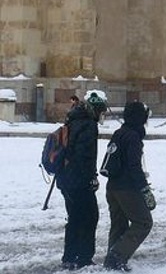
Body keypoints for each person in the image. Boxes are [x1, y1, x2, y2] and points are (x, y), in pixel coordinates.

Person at [103, 101, 155, 272]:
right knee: (144, 222)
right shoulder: (133, 137)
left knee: (118, 223)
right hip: (127, 188)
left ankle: (113, 260)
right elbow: (134, 167)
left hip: (112, 187)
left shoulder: (119, 133)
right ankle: (117, 256)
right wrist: (145, 190)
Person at [57, 93, 107, 270]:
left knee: (75, 218)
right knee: (89, 217)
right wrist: (91, 178)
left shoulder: (73, 119)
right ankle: (84, 258)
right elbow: (84, 155)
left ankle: (69, 257)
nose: (102, 115)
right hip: (78, 180)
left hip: (65, 177)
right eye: (101, 111)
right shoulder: (88, 124)